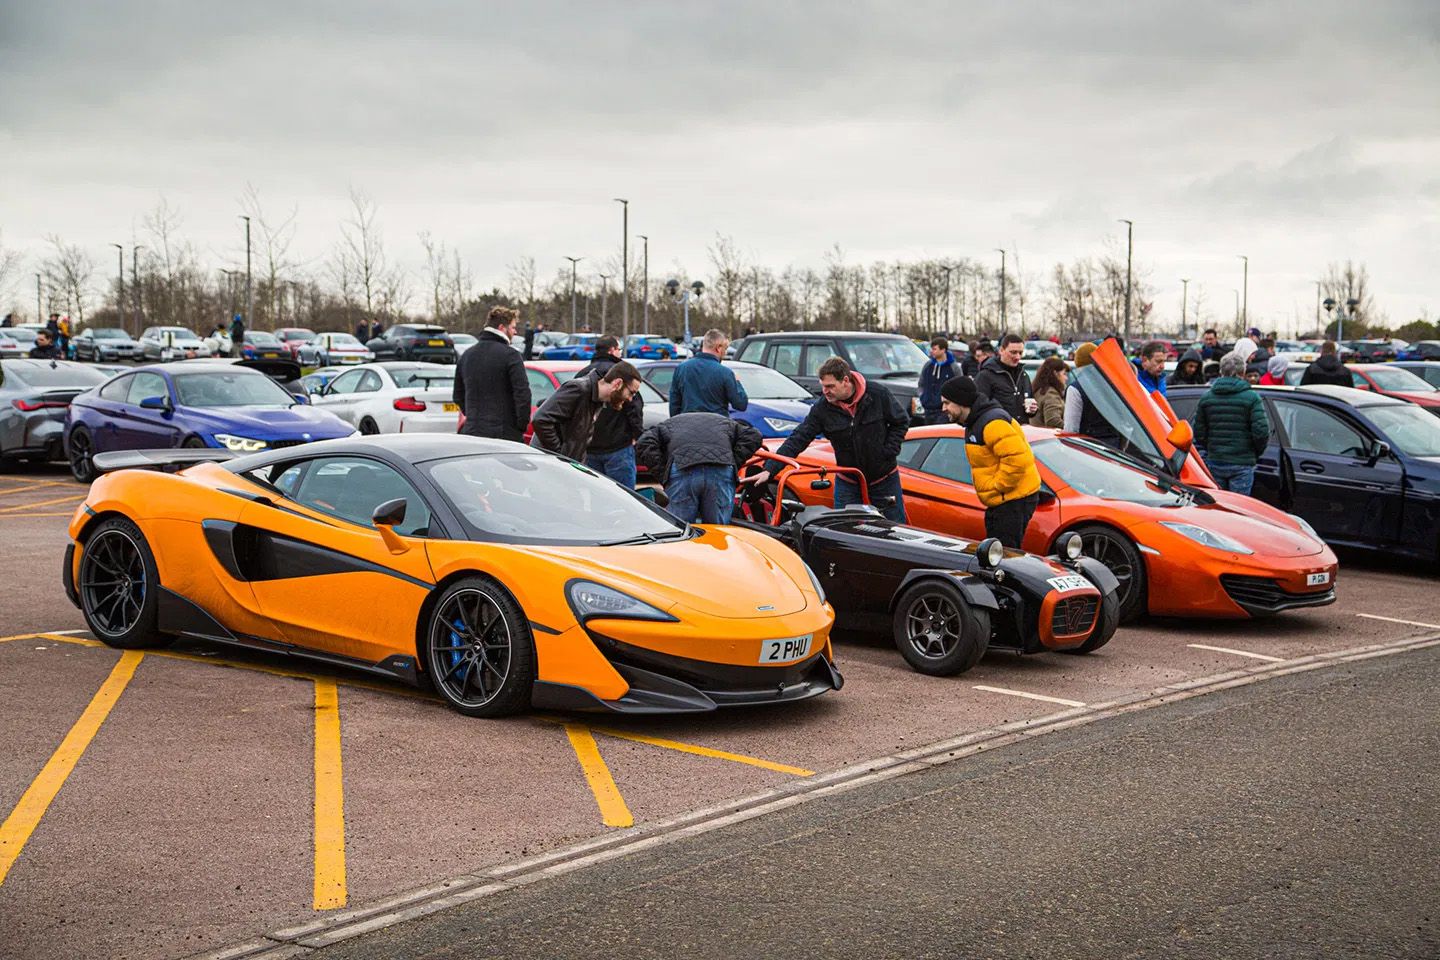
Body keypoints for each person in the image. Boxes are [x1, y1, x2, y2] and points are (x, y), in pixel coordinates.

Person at [742, 357, 910, 522]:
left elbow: (901, 422)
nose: (825, 391)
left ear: (845, 381)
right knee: (844, 532)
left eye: (830, 386)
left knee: (893, 528)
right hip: (848, 479)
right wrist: (770, 470)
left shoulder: (877, 394)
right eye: (823, 386)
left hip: (884, 478)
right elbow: (799, 438)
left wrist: (888, 451)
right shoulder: (823, 408)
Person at [939, 377, 1041, 549]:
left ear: (961, 401)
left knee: (1004, 556)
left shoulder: (991, 423)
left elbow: (1017, 460)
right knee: (997, 552)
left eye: (947, 403)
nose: (943, 408)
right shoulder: (976, 421)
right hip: (1005, 500)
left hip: (1012, 500)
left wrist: (998, 487)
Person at [636, 413, 762, 525]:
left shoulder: (666, 425)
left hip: (683, 468)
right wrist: (733, 461)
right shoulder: (727, 423)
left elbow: (644, 442)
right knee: (718, 531)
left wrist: (663, 473)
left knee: (680, 529)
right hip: (720, 468)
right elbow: (754, 435)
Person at [530, 360, 643, 461]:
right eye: (631, 392)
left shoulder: (596, 400)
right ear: (617, 384)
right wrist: (560, 455)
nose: (630, 399)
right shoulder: (579, 389)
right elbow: (541, 419)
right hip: (549, 465)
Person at [1193, 352, 1270, 495]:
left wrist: (1212, 448)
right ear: (1243, 372)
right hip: (1242, 463)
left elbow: (1198, 432)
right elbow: (1261, 432)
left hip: (1216, 460)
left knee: (1218, 508)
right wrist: (1253, 453)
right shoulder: (1252, 398)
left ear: (1221, 371)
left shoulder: (1207, 398)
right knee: (1238, 509)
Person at [454, 306, 531, 442]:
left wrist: (474, 418)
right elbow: (523, 395)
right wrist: (520, 427)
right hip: (505, 435)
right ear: (502, 328)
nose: (515, 332)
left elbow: (458, 395)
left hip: (473, 432)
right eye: (513, 328)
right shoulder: (511, 355)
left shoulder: (466, 355)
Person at [575, 335, 644, 488]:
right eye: (619, 349)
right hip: (618, 447)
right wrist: (637, 434)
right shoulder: (622, 375)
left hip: (590, 447)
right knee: (625, 498)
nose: (620, 353)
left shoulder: (583, 374)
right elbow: (635, 407)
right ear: (612, 350)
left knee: (597, 496)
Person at [669, 329, 748, 416]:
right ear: (718, 348)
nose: (725, 353)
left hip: (688, 425)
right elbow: (741, 404)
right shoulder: (725, 373)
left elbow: (674, 405)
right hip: (717, 426)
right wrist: (737, 382)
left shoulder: (681, 369)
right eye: (725, 348)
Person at [1063, 343, 1127, 449]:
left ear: (1078, 363)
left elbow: (1071, 430)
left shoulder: (1075, 389)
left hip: (1088, 452)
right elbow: (1125, 424)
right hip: (1114, 451)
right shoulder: (1115, 386)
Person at [974, 333, 1037, 423]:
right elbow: (978, 408)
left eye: (1020, 353)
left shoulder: (1023, 375)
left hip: (1021, 431)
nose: (1017, 357)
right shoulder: (985, 376)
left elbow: (1029, 403)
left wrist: (1032, 410)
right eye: (1013, 352)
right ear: (1001, 350)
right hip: (998, 431)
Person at [917, 336, 959, 425]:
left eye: (934, 349)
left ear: (943, 350)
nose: (931, 351)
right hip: (928, 410)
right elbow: (921, 384)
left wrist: (950, 404)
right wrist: (923, 398)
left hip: (944, 412)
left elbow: (959, 386)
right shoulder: (928, 366)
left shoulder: (953, 367)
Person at [1030, 357, 1068, 429]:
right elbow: (1053, 421)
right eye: (1064, 374)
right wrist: (1071, 428)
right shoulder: (1051, 393)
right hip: (1049, 438)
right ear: (1055, 374)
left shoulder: (1039, 390)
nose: (1066, 378)